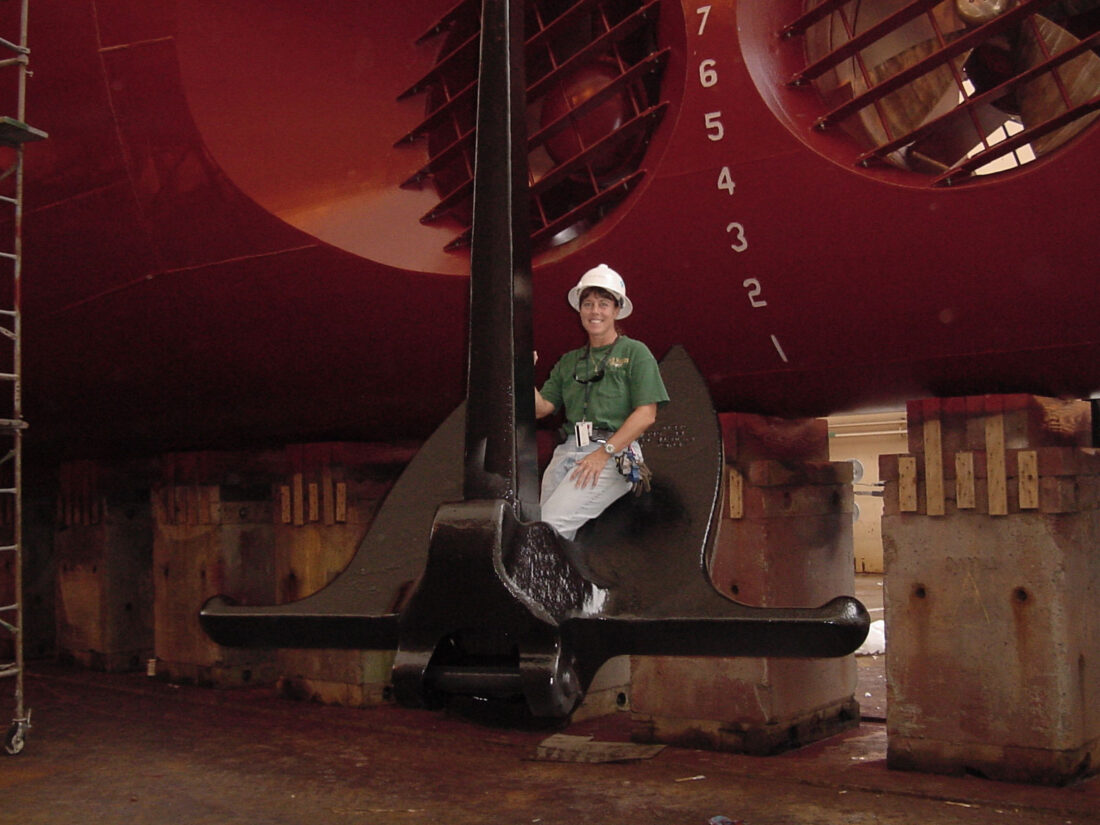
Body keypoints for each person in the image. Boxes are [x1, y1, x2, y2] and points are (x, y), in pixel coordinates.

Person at [534, 264, 669, 540]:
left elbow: (646, 415)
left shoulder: (635, 352)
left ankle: (580, 584)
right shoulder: (569, 361)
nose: (595, 311)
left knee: (549, 526)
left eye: (603, 304)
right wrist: (522, 375)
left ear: (617, 310)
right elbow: (541, 409)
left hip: (611, 454)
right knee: (537, 529)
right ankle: (572, 582)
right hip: (568, 452)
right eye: (588, 304)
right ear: (580, 310)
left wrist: (603, 453)